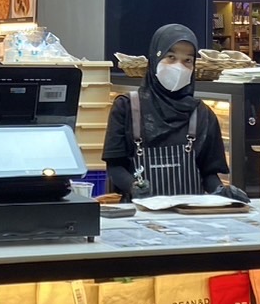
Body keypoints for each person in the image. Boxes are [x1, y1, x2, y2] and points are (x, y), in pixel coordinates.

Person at [102, 24, 241, 201]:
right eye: (171, 57)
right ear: (155, 59)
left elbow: (208, 173)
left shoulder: (202, 114)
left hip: (189, 212)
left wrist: (221, 192)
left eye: (187, 60)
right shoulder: (127, 107)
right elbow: (114, 166)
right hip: (139, 213)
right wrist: (133, 186)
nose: (178, 67)